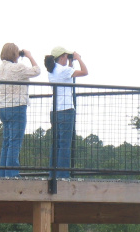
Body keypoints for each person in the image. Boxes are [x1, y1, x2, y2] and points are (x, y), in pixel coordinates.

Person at [0, 43, 40, 177]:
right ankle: (12, 174)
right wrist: (29, 56)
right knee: (15, 141)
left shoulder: (0, 69)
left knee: (7, 141)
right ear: (15, 54)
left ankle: (3, 173)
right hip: (17, 107)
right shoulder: (18, 68)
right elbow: (36, 71)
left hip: (3, 107)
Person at [44, 46, 88, 178]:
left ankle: (53, 174)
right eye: (66, 56)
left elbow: (68, 76)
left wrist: (71, 62)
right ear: (62, 57)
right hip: (66, 110)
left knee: (56, 143)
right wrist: (78, 58)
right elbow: (85, 72)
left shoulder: (52, 70)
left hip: (54, 110)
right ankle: (63, 175)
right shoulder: (64, 70)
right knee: (65, 144)